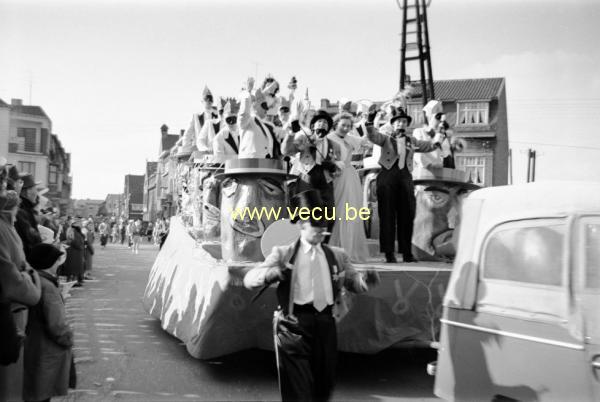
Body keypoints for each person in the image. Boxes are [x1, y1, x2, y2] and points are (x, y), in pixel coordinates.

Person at [243, 190, 380, 402]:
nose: (320, 229)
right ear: (301, 225)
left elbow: (354, 283)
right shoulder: (283, 253)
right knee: (298, 390)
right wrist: (270, 274)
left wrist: (366, 281)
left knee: (322, 388)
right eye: (314, 223)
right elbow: (250, 279)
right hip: (293, 326)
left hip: (326, 325)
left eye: (323, 223)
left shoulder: (338, 255)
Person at [366, 107, 443, 263]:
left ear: (406, 125)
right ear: (393, 124)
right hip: (387, 176)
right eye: (398, 121)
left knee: (407, 216)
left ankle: (407, 253)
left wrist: (440, 135)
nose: (401, 124)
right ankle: (389, 253)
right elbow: (373, 136)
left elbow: (430, 146)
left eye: (404, 122)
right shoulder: (385, 138)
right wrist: (369, 121)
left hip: (405, 177)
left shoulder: (412, 141)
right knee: (387, 216)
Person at [0, 189, 42, 402]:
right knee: (8, 382)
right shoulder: (3, 229)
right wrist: (33, 284)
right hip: (9, 308)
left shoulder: (8, 227)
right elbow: (10, 276)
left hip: (15, 308)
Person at [23, 243, 74, 402]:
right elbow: (57, 324)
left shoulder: (32, 278)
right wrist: (68, 339)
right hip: (46, 349)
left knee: (33, 391)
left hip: (32, 344)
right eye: (56, 260)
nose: (59, 263)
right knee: (42, 394)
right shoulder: (48, 286)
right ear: (49, 262)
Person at [282, 107, 342, 237]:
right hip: (306, 179)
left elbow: (338, 170)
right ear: (313, 125)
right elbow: (287, 151)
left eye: (326, 123)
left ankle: (321, 247)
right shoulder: (304, 139)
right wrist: (292, 133)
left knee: (329, 216)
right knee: (306, 215)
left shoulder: (334, 145)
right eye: (319, 122)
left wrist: (333, 167)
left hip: (325, 182)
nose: (322, 124)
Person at [326, 113, 370, 263]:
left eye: (348, 126)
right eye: (343, 125)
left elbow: (365, 142)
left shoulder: (350, 138)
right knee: (340, 210)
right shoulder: (330, 138)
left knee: (351, 211)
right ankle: (335, 248)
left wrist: (366, 124)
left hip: (350, 176)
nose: (345, 128)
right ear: (336, 124)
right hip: (337, 176)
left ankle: (348, 249)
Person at [237, 77, 283, 159]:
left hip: (265, 166)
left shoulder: (269, 126)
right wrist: (247, 93)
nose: (267, 109)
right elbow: (244, 113)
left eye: (267, 106)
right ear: (255, 105)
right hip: (248, 165)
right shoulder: (247, 121)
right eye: (264, 105)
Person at [14, 174, 43, 263]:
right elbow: (31, 238)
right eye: (36, 189)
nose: (37, 193)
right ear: (28, 191)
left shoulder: (26, 208)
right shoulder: (23, 211)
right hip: (26, 261)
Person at [63, 219, 85, 286]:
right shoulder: (73, 231)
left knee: (73, 268)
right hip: (74, 251)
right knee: (74, 268)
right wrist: (81, 246)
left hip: (74, 251)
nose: (81, 224)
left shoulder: (73, 230)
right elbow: (74, 241)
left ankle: (73, 281)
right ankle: (73, 282)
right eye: (79, 223)